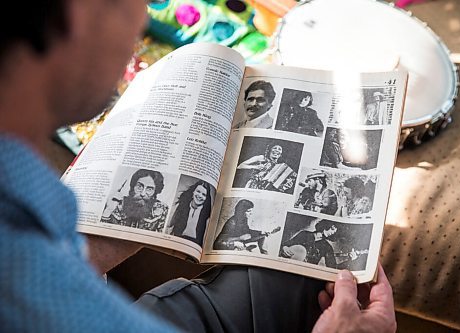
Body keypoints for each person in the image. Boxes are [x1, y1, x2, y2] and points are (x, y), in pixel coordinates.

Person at [0, 0, 396, 332]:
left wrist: (83, 253)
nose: (141, 21)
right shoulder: (38, 295)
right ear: (79, 12)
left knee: (295, 278)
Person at [101, 169, 168, 231]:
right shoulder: (117, 203)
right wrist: (108, 210)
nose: (143, 193)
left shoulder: (161, 209)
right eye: (139, 187)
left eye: (149, 189)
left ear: (155, 192)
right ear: (133, 187)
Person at [166, 180, 212, 246]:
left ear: (206, 198)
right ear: (193, 192)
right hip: (178, 239)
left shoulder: (206, 213)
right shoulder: (182, 206)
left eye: (204, 194)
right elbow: (170, 225)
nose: (200, 196)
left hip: (195, 244)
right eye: (198, 191)